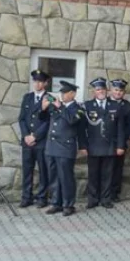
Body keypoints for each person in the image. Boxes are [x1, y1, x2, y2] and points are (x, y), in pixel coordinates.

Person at [40, 81, 85, 216]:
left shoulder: (78, 109)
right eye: (61, 93)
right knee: (54, 177)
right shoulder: (57, 107)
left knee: (66, 177)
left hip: (65, 148)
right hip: (52, 146)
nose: (62, 96)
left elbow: (71, 120)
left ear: (72, 94)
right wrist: (43, 108)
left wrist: (60, 107)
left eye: (65, 93)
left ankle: (68, 205)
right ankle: (56, 203)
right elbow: (42, 118)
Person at [82, 78, 125, 209]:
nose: (100, 91)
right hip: (93, 145)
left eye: (102, 89)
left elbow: (120, 128)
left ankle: (106, 198)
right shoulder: (87, 106)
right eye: (97, 89)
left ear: (106, 90)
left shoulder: (115, 106)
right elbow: (82, 129)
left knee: (108, 174)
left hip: (109, 145)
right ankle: (93, 199)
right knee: (93, 174)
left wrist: (120, 146)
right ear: (94, 91)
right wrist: (83, 146)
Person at [19, 69, 52, 208]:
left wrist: (35, 136)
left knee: (43, 170)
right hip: (27, 141)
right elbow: (21, 119)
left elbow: (49, 121)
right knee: (27, 170)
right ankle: (27, 197)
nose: (37, 84)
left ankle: (42, 198)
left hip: (41, 141)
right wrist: (26, 135)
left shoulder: (50, 98)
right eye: (35, 81)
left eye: (40, 81)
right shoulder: (27, 97)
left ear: (45, 83)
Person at [108, 79, 130, 202]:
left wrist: (124, 140)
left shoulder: (127, 106)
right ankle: (104, 193)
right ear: (111, 90)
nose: (118, 93)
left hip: (120, 142)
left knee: (117, 169)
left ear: (124, 92)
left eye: (121, 90)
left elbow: (129, 125)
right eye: (116, 90)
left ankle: (114, 193)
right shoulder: (105, 102)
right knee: (106, 169)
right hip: (106, 142)